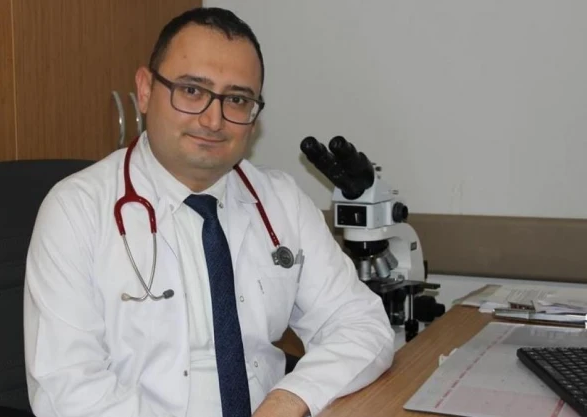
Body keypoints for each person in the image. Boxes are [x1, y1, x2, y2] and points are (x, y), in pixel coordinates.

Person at [23, 6, 394, 417]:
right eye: (192, 91)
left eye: (237, 99)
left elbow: (362, 325)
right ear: (145, 91)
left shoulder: (280, 201)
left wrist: (290, 399)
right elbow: (68, 392)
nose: (213, 120)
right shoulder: (76, 211)